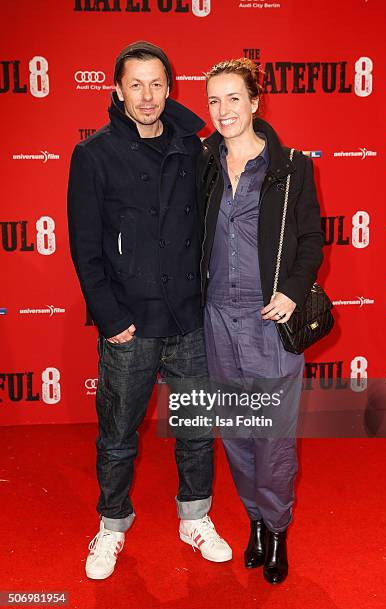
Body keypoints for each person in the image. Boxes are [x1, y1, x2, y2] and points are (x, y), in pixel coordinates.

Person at [67, 41, 232, 581]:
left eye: (157, 84)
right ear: (116, 90)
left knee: (196, 429)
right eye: (135, 84)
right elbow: (85, 248)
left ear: (170, 88)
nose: (147, 95)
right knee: (117, 434)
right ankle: (112, 525)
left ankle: (195, 517)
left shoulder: (192, 146)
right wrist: (111, 319)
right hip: (130, 324)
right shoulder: (93, 155)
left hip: (188, 318)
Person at [198, 58, 324, 584]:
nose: (223, 111)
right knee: (236, 430)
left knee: (272, 434)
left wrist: (293, 293)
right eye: (213, 101)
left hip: (268, 319)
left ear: (255, 102)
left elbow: (312, 240)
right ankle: (252, 518)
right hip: (217, 319)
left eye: (233, 98)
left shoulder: (290, 166)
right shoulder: (202, 163)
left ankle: (276, 528)